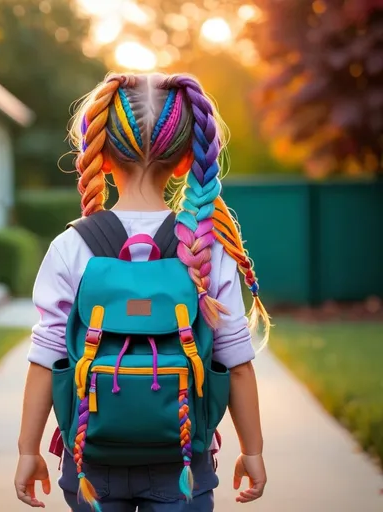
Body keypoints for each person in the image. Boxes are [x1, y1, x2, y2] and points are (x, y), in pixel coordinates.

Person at [14, 72, 269, 511]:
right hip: (184, 463)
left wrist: (27, 451)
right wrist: (254, 451)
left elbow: (47, 356)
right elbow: (236, 363)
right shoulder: (204, 249)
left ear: (101, 156)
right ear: (188, 159)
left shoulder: (72, 247)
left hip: (91, 462)